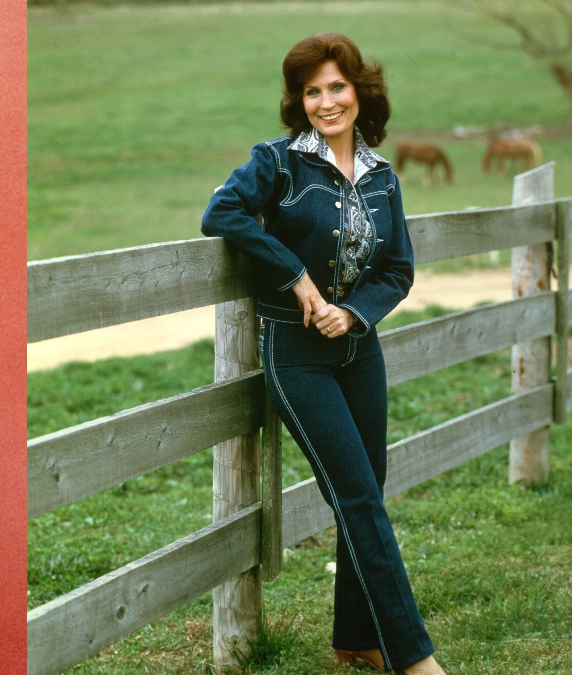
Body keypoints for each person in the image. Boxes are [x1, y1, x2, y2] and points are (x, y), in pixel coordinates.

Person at [201, 34, 444, 674]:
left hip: (360, 351)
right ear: (298, 100)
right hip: (296, 353)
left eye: (337, 87)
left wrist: (355, 311)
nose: (326, 101)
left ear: (361, 93)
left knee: (366, 496)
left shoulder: (382, 176)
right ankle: (414, 659)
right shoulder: (278, 163)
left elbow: (396, 269)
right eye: (313, 90)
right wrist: (298, 279)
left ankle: (356, 639)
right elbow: (222, 213)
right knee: (358, 498)